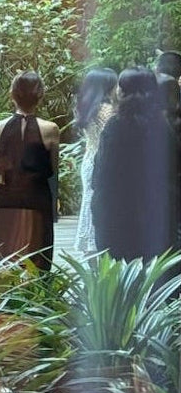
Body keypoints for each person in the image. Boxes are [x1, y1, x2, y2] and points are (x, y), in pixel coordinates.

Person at [92, 66, 181, 262]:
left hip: (117, 216)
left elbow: (101, 174)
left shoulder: (115, 126)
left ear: (121, 91)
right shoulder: (163, 128)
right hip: (156, 218)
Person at [0, 71, 60, 272]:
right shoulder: (51, 129)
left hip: (7, 200)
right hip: (37, 200)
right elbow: (53, 169)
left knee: (4, 257)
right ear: (40, 96)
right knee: (38, 259)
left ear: (12, 95)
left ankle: (5, 298)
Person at [73, 67, 117, 255]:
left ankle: (88, 247)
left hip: (89, 159)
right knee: (101, 203)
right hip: (103, 160)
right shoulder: (107, 110)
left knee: (89, 202)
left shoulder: (85, 108)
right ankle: (96, 246)